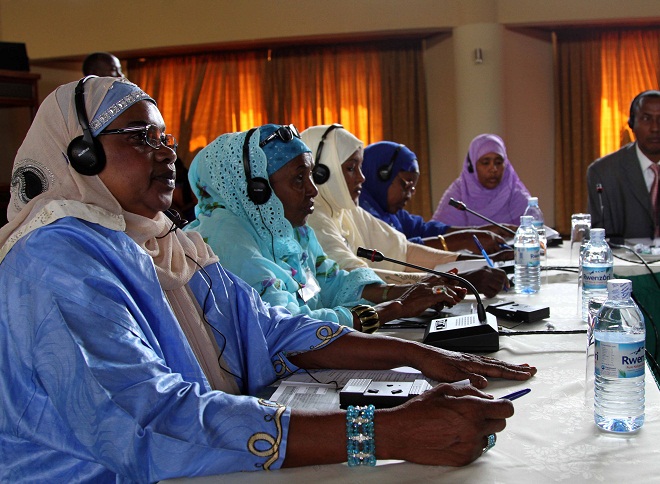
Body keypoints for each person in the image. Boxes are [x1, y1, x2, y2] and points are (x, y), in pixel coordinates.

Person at [0, 77, 536, 481]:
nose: (166, 153)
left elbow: (270, 328)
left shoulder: (163, 239)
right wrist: (383, 432)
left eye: (165, 137)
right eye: (141, 137)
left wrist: (415, 355)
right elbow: (144, 420)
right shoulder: (56, 261)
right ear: (81, 154)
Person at [186, 124, 465, 330]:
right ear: (258, 190)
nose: (313, 190)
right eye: (299, 179)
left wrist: (409, 292)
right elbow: (294, 327)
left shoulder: (290, 229)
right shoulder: (229, 244)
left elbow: (333, 282)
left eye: (311, 176)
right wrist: (396, 308)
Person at [302, 125, 509, 297]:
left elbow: (402, 252)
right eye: (350, 168)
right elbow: (357, 281)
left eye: (360, 167)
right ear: (320, 172)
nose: (361, 177)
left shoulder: (345, 210)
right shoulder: (312, 219)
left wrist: (477, 263)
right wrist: (458, 281)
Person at [361, 140, 514, 254]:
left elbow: (423, 230)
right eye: (406, 185)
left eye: (413, 187)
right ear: (381, 176)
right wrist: (462, 241)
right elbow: (398, 252)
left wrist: (481, 231)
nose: (411, 193)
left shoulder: (389, 212)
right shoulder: (362, 214)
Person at [587, 90, 660, 242]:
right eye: (646, 119)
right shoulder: (603, 172)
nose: (655, 128)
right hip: (624, 257)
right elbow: (600, 237)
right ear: (632, 124)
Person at [432, 134, 530, 227]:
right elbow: (438, 233)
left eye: (498, 162)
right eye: (486, 163)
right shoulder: (458, 195)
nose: (493, 169)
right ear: (472, 167)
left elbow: (535, 231)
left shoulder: (518, 197)